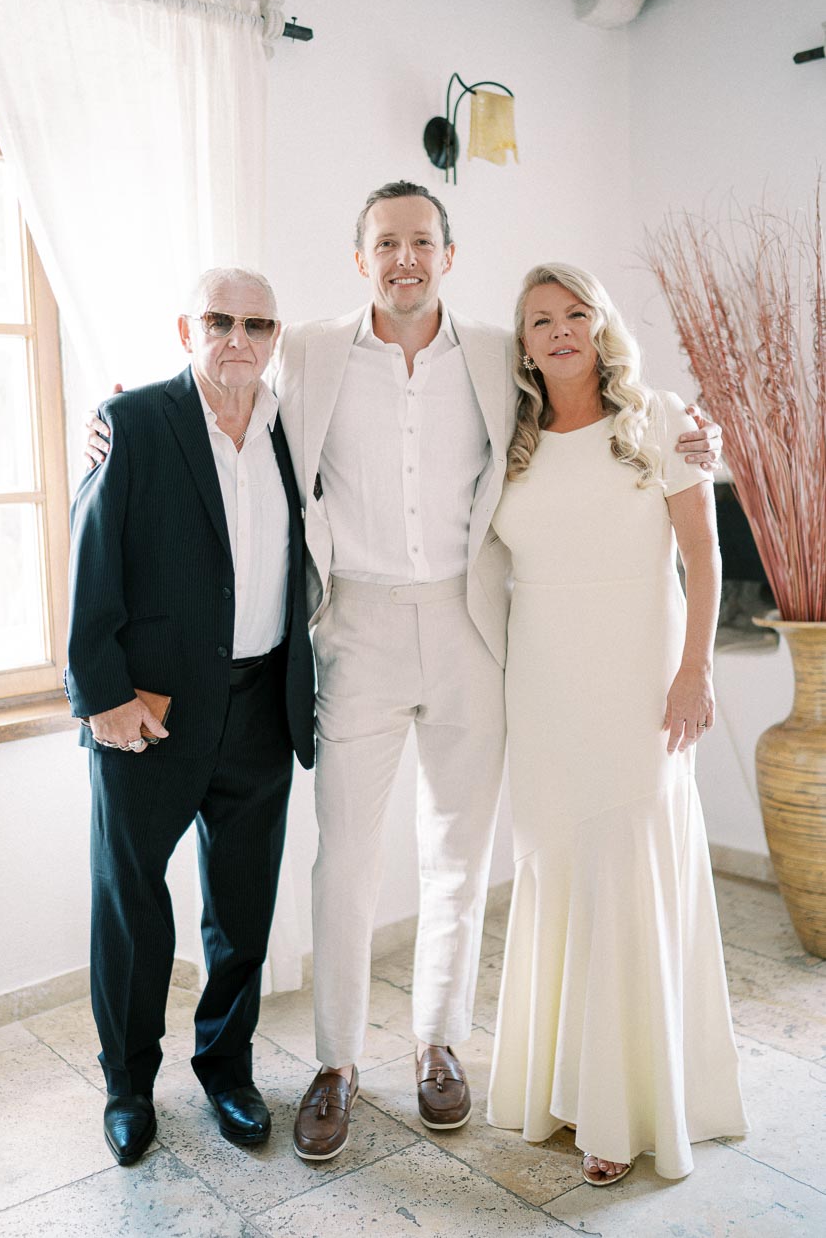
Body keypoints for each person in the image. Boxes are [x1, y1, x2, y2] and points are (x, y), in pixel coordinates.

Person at [84, 186, 722, 1162]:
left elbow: (592, 396)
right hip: (358, 627)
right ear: (361, 260)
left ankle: (438, 1045)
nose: (405, 259)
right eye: (387, 244)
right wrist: (108, 424)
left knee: (459, 854)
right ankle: (335, 1064)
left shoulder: (502, 353)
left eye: (422, 241)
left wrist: (695, 436)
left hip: (472, 624)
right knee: (346, 857)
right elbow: (214, 389)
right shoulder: (306, 351)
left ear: (450, 254)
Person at [486, 263, 748, 1185]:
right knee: (560, 870)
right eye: (540, 320)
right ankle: (561, 1091)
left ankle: (623, 1107)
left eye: (575, 313)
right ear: (520, 343)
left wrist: (696, 669)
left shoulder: (663, 419)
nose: (559, 331)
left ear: (601, 325)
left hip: (641, 678)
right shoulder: (505, 438)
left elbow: (703, 555)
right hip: (545, 689)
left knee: (627, 870)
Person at [66, 267, 315, 1166]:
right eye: (221, 320)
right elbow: (88, 566)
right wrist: (102, 700)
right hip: (149, 715)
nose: (238, 338)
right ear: (187, 328)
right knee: (132, 909)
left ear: (276, 336)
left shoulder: (296, 431)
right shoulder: (131, 424)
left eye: (257, 323)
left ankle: (228, 1070)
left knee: (242, 909)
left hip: (262, 706)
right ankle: (128, 1085)